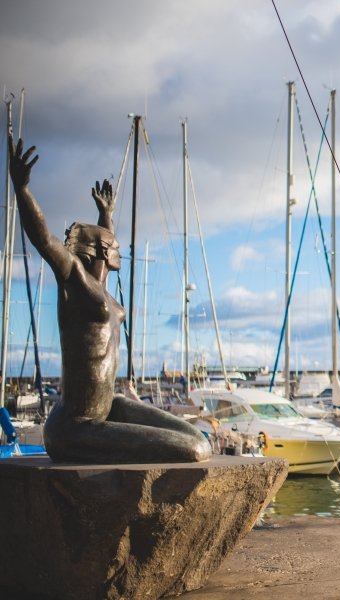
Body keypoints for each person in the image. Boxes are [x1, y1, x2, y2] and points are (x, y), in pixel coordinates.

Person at [7, 135, 210, 463]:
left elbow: (101, 256)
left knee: (199, 439)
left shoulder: (100, 289)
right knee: (193, 450)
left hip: (108, 406)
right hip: (77, 425)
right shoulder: (74, 279)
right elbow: (44, 239)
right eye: (110, 243)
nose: (118, 246)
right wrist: (22, 190)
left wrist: (106, 214)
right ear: (98, 249)